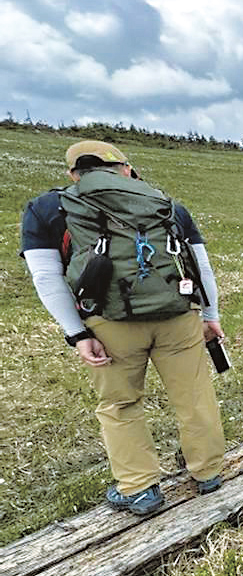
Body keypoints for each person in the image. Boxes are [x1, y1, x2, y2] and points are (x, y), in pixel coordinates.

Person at [20, 140, 226, 515]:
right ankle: (208, 473)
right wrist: (210, 315)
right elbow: (201, 266)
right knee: (195, 395)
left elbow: (47, 277)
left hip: (109, 323)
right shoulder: (164, 203)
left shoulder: (50, 207)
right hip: (178, 315)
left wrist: (78, 333)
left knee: (120, 404)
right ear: (126, 168)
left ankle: (139, 488)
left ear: (73, 173)